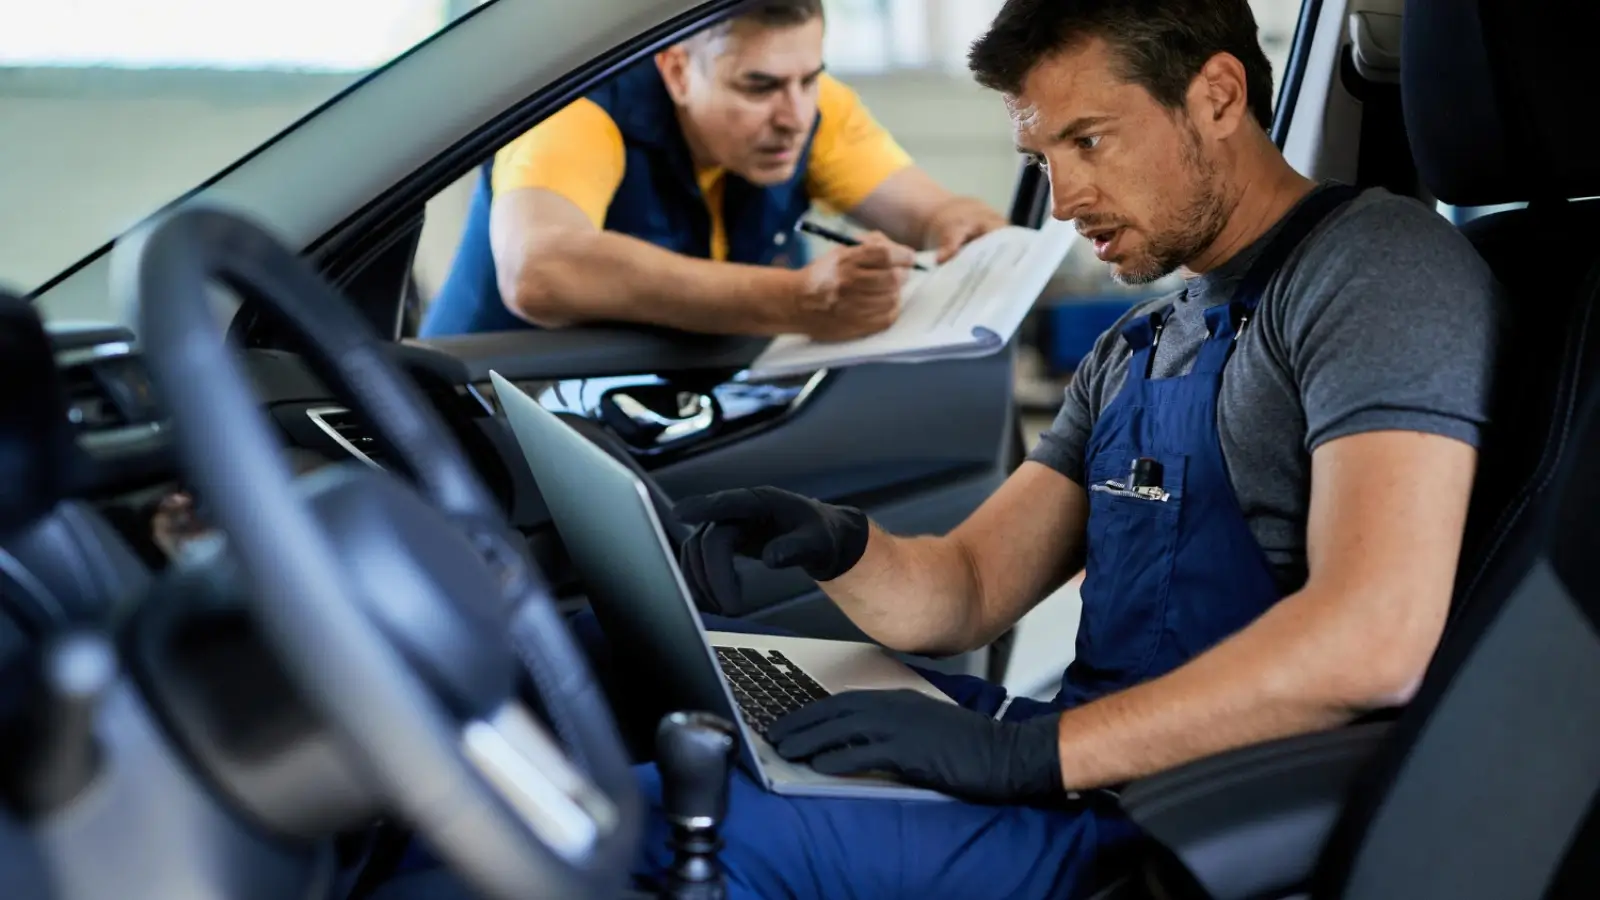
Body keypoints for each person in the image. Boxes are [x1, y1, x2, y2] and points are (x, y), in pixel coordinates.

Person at [377, 0, 1499, 897]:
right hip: (1078, 770)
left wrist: (1023, 761)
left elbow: (1373, 637)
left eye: (1088, 141)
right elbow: (964, 591)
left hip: (1177, 821)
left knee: (624, 837)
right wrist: (830, 543)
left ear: (1215, 95)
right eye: (1041, 154)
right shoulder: (1142, 341)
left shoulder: (1373, 271)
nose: (1062, 200)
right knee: (587, 716)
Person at [418, 0, 1005, 340]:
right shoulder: (578, 110)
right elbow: (539, 270)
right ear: (676, 71)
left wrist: (960, 226)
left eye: (809, 78)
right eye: (759, 86)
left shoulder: (814, 108)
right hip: (477, 433)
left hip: (642, 424)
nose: (796, 117)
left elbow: (933, 216)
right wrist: (798, 300)